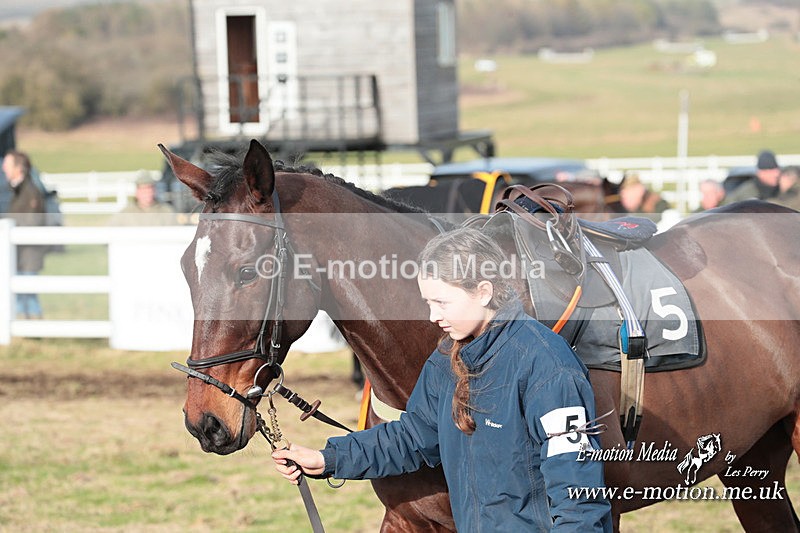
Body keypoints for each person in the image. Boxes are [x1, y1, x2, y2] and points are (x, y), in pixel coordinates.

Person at [272, 227, 613, 531]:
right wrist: (327, 459)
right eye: (427, 303)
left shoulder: (547, 366)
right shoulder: (446, 359)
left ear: (482, 291)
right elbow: (412, 437)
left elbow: (577, 493)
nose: (433, 316)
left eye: (442, 302)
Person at [2, 150, 46, 318]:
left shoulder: (29, 192)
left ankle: (32, 328)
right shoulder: (17, 191)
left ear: (18, 169)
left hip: (28, 254)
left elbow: (33, 222)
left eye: (7, 165)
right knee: (21, 293)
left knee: (27, 293)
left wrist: (9, 229)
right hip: (19, 253)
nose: (4, 169)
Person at [109, 172, 175, 225]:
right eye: (143, 189)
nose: (147, 192)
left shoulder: (166, 211)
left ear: (154, 190)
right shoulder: (125, 213)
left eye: (149, 188)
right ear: (137, 191)